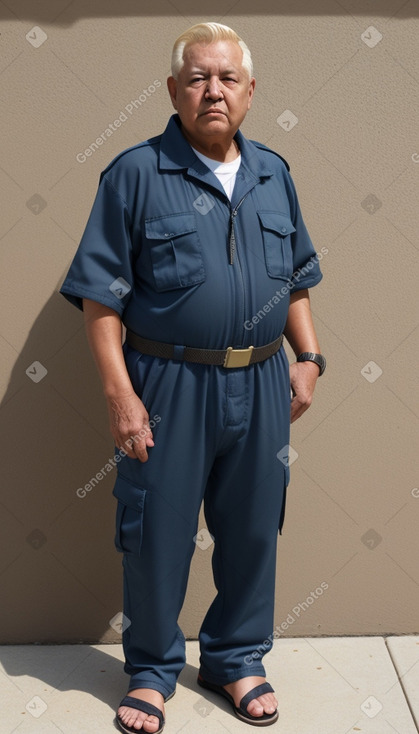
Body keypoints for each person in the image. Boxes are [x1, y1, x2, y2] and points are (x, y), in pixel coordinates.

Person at [60, 21, 325, 733]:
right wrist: (120, 396)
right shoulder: (133, 174)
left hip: (263, 383)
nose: (213, 90)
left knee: (252, 530)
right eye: (198, 78)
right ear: (174, 90)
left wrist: (308, 359)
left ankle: (236, 658)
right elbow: (99, 297)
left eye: (227, 78)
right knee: (156, 532)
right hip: (167, 385)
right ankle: (149, 671)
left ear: (249, 91)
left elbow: (297, 278)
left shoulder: (274, 172)